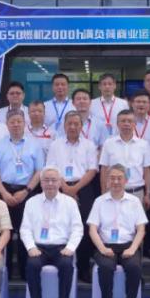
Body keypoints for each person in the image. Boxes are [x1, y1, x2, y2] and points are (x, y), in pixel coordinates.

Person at [21, 167, 84, 298]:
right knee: (32, 266)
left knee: (66, 266)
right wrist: (31, 247)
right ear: (41, 183)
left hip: (61, 248)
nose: (50, 183)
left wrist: (70, 248)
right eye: (46, 180)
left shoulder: (70, 203)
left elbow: (78, 228)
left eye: (54, 180)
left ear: (60, 182)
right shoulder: (31, 202)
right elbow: (25, 229)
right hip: (39, 248)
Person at [87, 165, 147, 298]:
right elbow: (92, 229)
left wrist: (133, 248)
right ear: (107, 181)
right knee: (106, 267)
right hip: (105, 245)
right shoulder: (99, 201)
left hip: (129, 245)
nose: (115, 181)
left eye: (119, 178)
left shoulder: (134, 201)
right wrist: (102, 248)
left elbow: (141, 229)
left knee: (134, 267)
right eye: (112, 178)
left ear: (126, 180)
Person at [0, 110, 44, 279]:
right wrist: (3, 193)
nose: (16, 124)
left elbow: (39, 171)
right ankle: (6, 271)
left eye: (19, 121)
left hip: (27, 191)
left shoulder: (34, 144)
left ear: (24, 123)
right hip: (4, 190)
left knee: (26, 231)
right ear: (7, 124)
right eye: (12, 122)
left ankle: (25, 271)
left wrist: (26, 191)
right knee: (5, 230)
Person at [46, 111, 100, 281]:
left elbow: (92, 170)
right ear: (64, 125)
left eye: (76, 124)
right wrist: (66, 188)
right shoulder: (55, 145)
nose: (73, 127)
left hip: (83, 188)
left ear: (81, 126)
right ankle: (60, 262)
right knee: (60, 224)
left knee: (84, 227)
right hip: (58, 187)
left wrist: (75, 188)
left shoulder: (89, 145)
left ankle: (83, 267)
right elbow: (51, 168)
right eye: (69, 123)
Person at [99, 109, 150, 207]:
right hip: (114, 192)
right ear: (117, 124)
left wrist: (148, 194)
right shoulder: (109, 143)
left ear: (135, 124)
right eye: (123, 121)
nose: (126, 124)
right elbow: (104, 169)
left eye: (130, 121)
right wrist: (103, 192)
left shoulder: (144, 144)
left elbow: (147, 171)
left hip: (137, 192)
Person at [91, 73, 129, 138]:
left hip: (118, 139)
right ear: (99, 86)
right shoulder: (92, 103)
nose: (107, 86)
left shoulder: (123, 103)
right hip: (98, 140)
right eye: (104, 84)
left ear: (115, 86)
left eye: (110, 84)